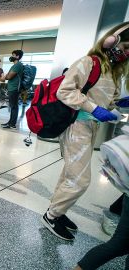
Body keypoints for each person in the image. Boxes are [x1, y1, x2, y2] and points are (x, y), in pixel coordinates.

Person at [41, 22, 129, 241]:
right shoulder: (89, 62)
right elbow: (65, 91)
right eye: (126, 47)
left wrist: (120, 104)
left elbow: (109, 100)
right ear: (113, 41)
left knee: (70, 174)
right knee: (80, 180)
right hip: (75, 126)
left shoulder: (113, 70)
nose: (127, 53)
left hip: (90, 127)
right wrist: (94, 108)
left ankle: (57, 212)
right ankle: (52, 216)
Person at [1, 50, 24, 129]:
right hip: (12, 88)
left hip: (14, 88)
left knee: (14, 106)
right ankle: (10, 122)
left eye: (13, 55)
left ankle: (12, 124)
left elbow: (9, 76)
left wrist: (5, 77)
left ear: (17, 56)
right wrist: (6, 76)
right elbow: (8, 75)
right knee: (12, 106)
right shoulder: (15, 65)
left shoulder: (18, 65)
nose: (11, 57)